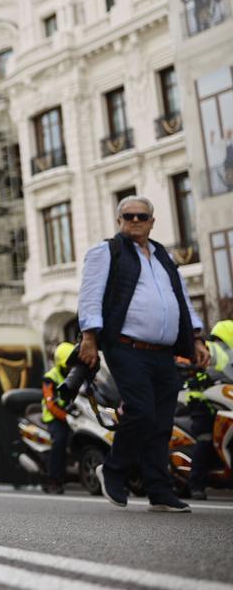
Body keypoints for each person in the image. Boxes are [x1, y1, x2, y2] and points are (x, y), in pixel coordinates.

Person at [77, 195, 209, 513]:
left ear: (152, 221)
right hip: (125, 346)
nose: (135, 221)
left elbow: (182, 299)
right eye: (128, 216)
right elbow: (91, 295)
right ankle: (113, 469)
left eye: (141, 216)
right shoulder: (107, 251)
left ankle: (159, 491)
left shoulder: (163, 255)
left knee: (162, 422)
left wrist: (196, 339)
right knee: (141, 412)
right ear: (119, 221)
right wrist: (89, 338)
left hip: (163, 353)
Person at [183, 320, 233, 500]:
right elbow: (196, 368)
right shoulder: (208, 348)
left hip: (222, 399)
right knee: (205, 438)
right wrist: (200, 377)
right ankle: (196, 485)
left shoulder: (229, 353)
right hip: (203, 403)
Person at [41, 343, 74, 495]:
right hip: (54, 417)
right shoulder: (50, 377)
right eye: (68, 363)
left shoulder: (75, 374)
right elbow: (50, 404)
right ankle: (53, 480)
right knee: (60, 441)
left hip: (74, 415)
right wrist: (65, 416)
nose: (71, 367)